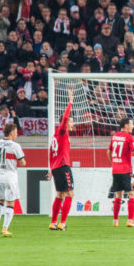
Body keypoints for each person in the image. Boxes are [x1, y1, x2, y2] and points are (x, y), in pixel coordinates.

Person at [47, 88, 75, 231]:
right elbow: (64, 119)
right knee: (70, 193)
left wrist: (51, 169)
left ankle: (53, 222)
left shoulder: (56, 136)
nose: (72, 124)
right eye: (71, 122)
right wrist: (70, 102)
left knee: (60, 194)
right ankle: (62, 223)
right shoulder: (62, 131)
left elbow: (51, 153)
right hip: (63, 166)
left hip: (56, 167)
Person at [0, 123, 26, 237]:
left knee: (0, 201)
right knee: (10, 203)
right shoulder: (15, 146)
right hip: (10, 176)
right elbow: (22, 162)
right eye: (16, 132)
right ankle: (5, 228)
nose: (17, 134)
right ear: (11, 133)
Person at [107, 117, 134, 227]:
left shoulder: (114, 137)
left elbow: (108, 152)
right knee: (132, 194)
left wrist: (114, 163)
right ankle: (130, 220)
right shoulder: (129, 137)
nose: (133, 126)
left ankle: (115, 221)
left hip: (115, 169)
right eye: (131, 124)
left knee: (118, 194)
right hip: (125, 170)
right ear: (126, 125)